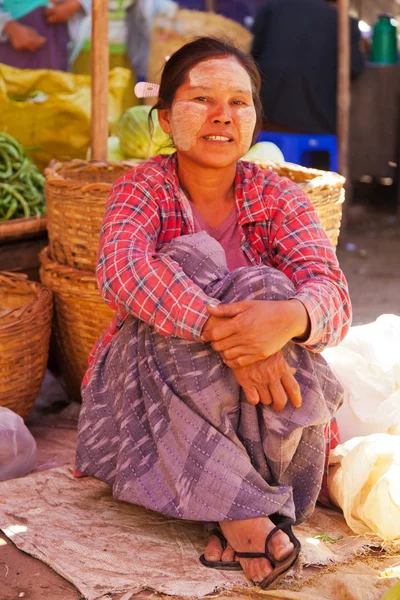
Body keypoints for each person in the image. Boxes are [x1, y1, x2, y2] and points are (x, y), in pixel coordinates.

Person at [76, 37, 351, 589]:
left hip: (263, 400)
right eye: (201, 100)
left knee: (270, 287)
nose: (222, 116)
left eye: (238, 102)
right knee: (180, 270)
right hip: (147, 386)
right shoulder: (143, 188)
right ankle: (246, 515)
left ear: (254, 119)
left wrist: (285, 320)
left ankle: (236, 502)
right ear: (164, 117)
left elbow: (334, 297)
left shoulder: (277, 196)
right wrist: (228, 334)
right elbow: (122, 272)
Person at [251, 0, 364, 134]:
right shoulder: (344, 23)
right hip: (317, 123)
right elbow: (355, 68)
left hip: (266, 116)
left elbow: (253, 54)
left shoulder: (271, 7)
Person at [0, 0, 91, 71]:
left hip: (59, 39)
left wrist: (77, 4)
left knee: (54, 87)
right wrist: (9, 26)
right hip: (12, 43)